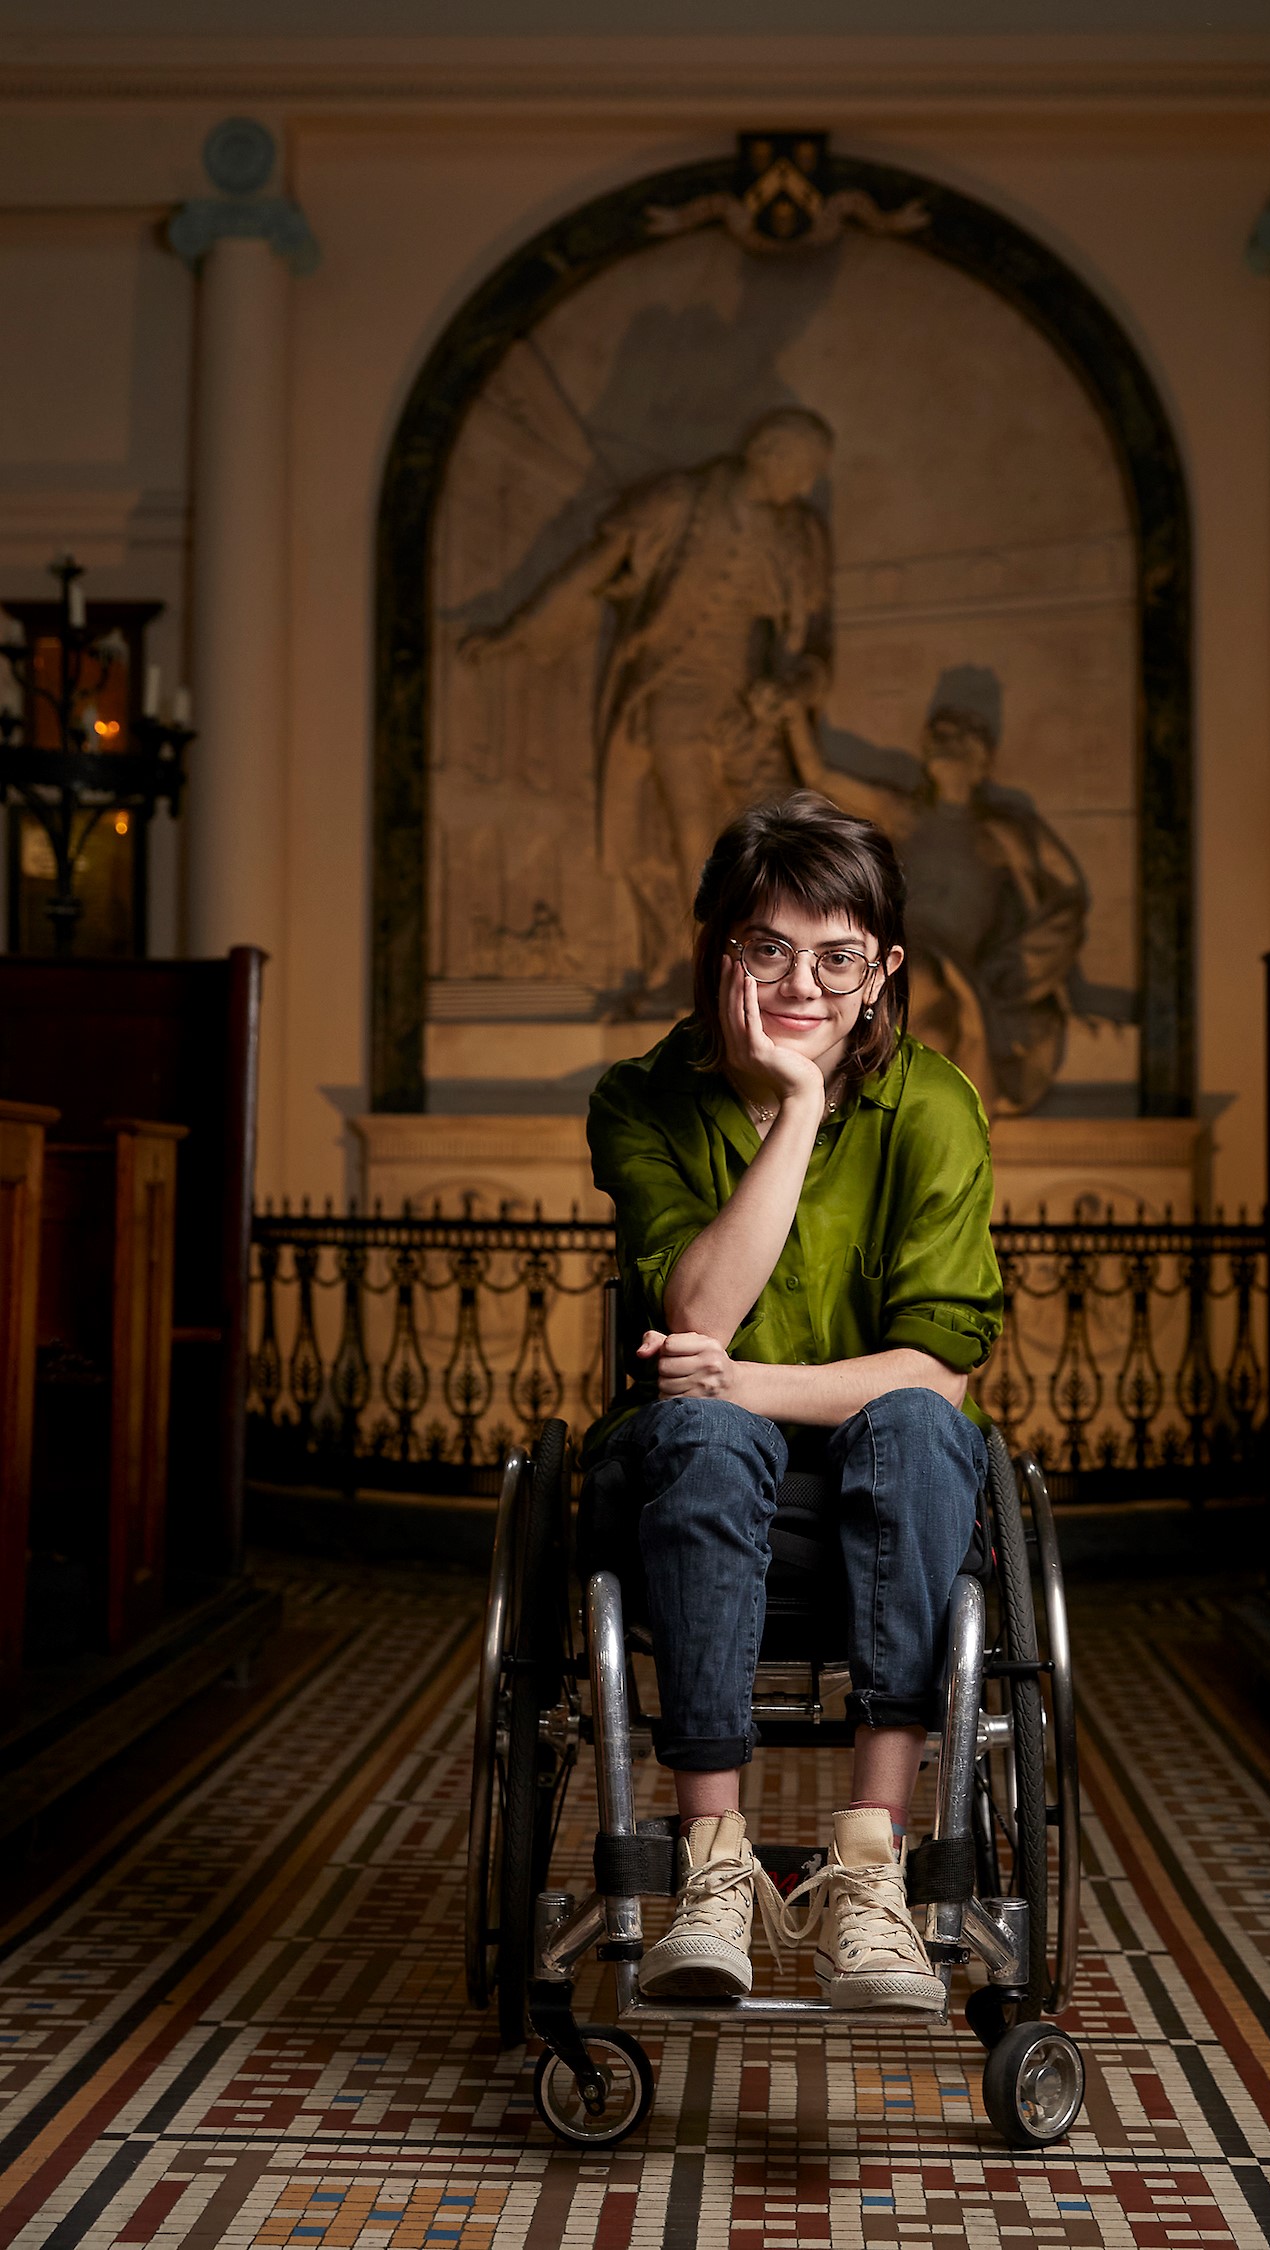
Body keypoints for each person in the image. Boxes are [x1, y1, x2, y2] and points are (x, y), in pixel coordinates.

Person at [584, 791, 1004, 2009]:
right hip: (683, 1485)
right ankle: (711, 1864)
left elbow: (936, 1368)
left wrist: (745, 1381)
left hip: (888, 1492)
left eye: (837, 957)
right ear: (721, 951)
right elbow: (699, 1310)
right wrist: (800, 1107)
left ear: (883, 974)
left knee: (922, 1428)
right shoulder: (642, 1099)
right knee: (707, 1431)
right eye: (769, 948)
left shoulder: (933, 1105)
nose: (803, 985)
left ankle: (869, 1859)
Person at [462, 409, 833, 998]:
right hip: (671, 692)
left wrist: (789, 689)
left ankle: (767, 960)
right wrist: (518, 632)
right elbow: (590, 570)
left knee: (781, 837)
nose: (807, 486)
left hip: (749, 712)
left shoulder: (799, 535)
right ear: (766, 452)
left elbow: (815, 645)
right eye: (803, 468)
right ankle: (710, 966)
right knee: (694, 835)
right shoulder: (679, 500)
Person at [783, 699, 1092, 1114]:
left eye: (960, 740)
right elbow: (821, 778)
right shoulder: (905, 814)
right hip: (904, 951)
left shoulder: (1003, 834)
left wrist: (1026, 962)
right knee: (913, 1006)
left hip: (959, 965)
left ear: (982, 759)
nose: (949, 748)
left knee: (932, 1034)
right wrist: (792, 714)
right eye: (942, 738)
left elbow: (1066, 897)